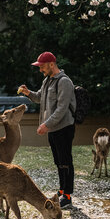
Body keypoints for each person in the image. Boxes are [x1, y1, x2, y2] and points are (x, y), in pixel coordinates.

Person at [18, 52, 77, 208]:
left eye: (42, 66)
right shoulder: (47, 81)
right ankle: (62, 190)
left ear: (52, 64)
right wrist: (28, 93)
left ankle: (68, 196)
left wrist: (46, 124)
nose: (40, 70)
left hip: (64, 128)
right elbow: (39, 97)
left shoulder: (64, 82)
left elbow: (62, 109)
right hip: (53, 129)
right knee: (58, 162)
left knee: (65, 162)